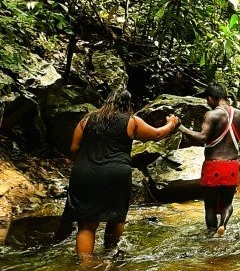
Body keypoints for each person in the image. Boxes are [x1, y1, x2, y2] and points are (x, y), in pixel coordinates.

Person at [56, 88, 180, 261]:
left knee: (86, 224)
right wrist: (172, 123)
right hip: (116, 174)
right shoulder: (131, 121)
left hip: (84, 174)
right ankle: (110, 256)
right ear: (127, 104)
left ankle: (85, 268)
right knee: (115, 216)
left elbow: (74, 149)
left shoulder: (87, 120)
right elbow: (157, 134)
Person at [179, 83, 240, 237]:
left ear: (210, 98)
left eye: (206, 100)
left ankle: (211, 234)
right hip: (231, 166)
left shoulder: (212, 115)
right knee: (227, 203)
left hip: (212, 166)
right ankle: (223, 225)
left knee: (209, 206)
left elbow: (202, 138)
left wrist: (180, 127)